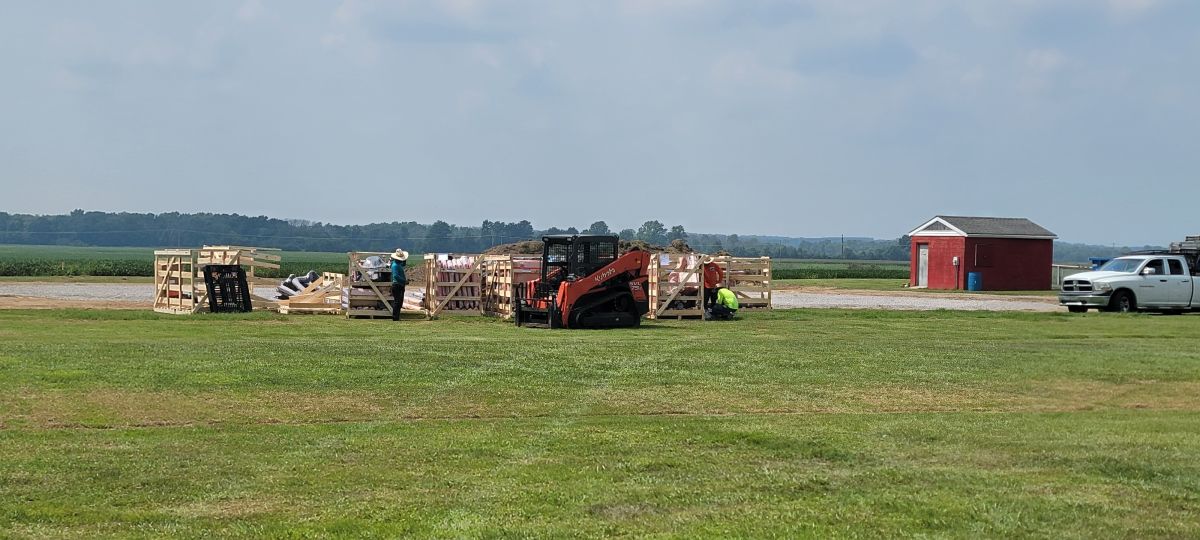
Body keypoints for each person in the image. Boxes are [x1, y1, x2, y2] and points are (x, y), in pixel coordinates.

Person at [390, 248, 408, 321]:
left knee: (399, 301)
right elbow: (396, 276)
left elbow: (403, 263)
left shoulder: (398, 264)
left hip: (399, 284)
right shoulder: (395, 265)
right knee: (397, 301)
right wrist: (404, 281)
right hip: (397, 285)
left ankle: (397, 316)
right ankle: (395, 317)